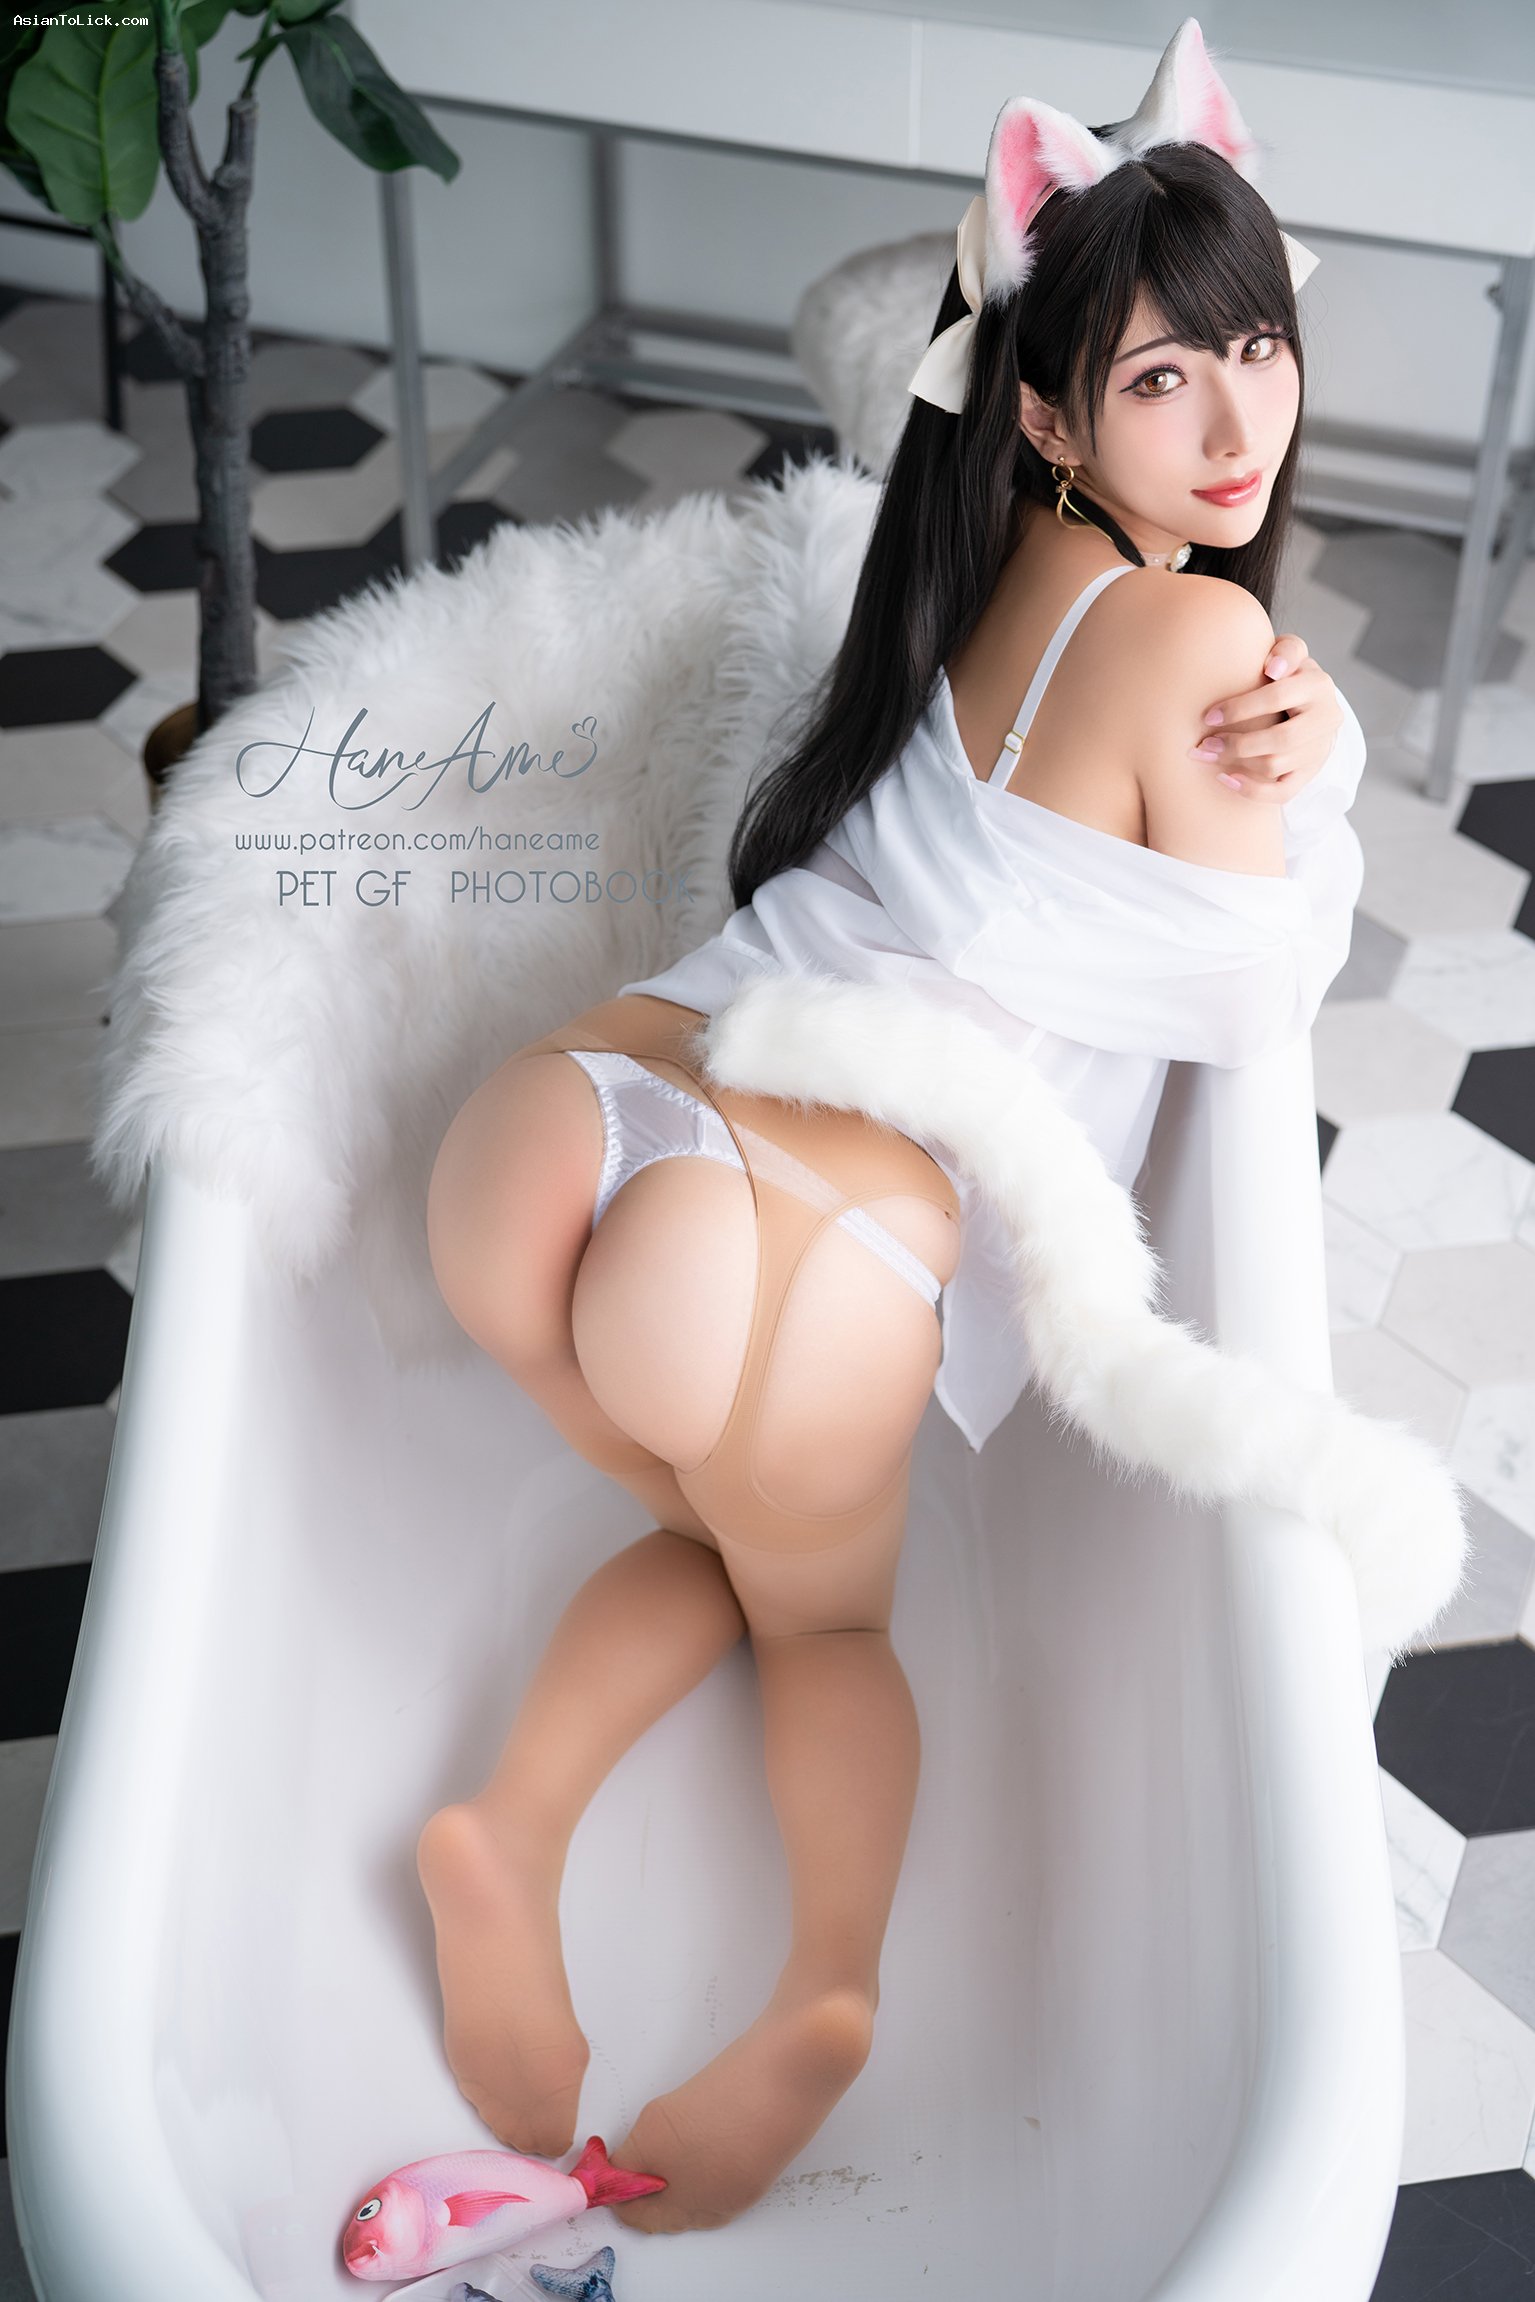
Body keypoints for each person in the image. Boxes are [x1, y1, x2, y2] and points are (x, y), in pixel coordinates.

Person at [415, 17, 1358, 2239]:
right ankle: (825, 1988)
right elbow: (1250, 995)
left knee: (728, 1546)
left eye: (1256, 351)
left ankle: (506, 1826)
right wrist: (1308, 778)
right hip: (806, 1243)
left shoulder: (972, 565)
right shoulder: (1190, 641)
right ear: (1048, 412)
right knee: (825, 1624)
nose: (1239, 426)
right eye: (1164, 379)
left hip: (562, 1121)